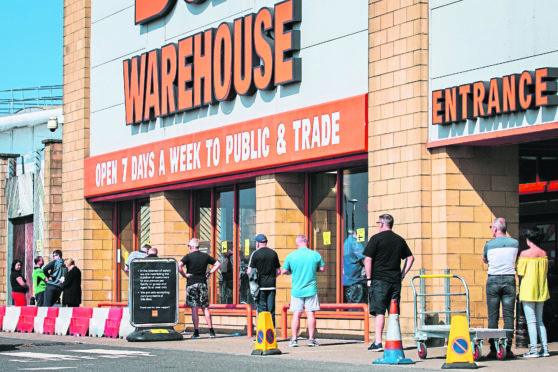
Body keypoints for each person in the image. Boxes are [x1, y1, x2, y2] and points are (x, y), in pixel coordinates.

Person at [364, 214, 414, 351]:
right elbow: (410, 258)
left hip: (379, 280)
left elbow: (367, 260)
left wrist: (369, 279)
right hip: (395, 281)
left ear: (381, 224)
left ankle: (378, 342)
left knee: (379, 312)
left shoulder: (376, 239)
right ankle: (394, 340)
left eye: (378, 223)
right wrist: (402, 274)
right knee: (393, 311)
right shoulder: (399, 240)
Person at [482, 217, 518, 359]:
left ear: (496, 229)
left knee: (493, 316)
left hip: (493, 280)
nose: (491, 230)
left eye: (491, 227)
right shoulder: (515, 243)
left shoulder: (489, 244)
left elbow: (484, 259)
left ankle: (493, 349)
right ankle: (507, 348)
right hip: (509, 279)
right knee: (509, 316)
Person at [281, 235, 325, 347]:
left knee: (296, 314)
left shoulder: (291, 256)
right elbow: (322, 269)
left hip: (297, 290)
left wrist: (291, 272)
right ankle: (311, 339)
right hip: (311, 289)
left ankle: (294, 340)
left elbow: (284, 271)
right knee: (311, 314)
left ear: (297, 243)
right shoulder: (315, 254)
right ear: (307, 242)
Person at [178, 238, 221, 339]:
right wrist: (209, 273)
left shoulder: (188, 257)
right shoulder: (205, 256)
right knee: (205, 307)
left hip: (192, 283)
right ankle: (211, 331)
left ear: (191, 247)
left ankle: (196, 332)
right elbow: (217, 264)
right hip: (202, 283)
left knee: (194, 308)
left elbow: (179, 266)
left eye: (188, 246)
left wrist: (185, 275)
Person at [517, 228, 550, 358]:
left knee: (531, 322)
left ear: (529, 240)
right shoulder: (544, 253)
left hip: (528, 290)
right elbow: (546, 271)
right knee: (540, 321)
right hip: (541, 290)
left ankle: (534, 350)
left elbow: (520, 273)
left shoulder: (524, 254)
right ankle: (545, 349)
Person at [247, 234, 281, 326]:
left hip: (260, 286)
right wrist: (271, 278)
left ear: (258, 243)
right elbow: (278, 271)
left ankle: (261, 335)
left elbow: (249, 271)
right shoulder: (273, 253)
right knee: (271, 310)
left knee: (262, 310)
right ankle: (271, 334)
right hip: (271, 286)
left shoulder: (255, 254)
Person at [343, 230, 367, 304]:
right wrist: (369, 275)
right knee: (357, 310)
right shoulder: (355, 242)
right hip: (355, 282)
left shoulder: (346, 242)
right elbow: (365, 259)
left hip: (347, 281)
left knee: (350, 308)